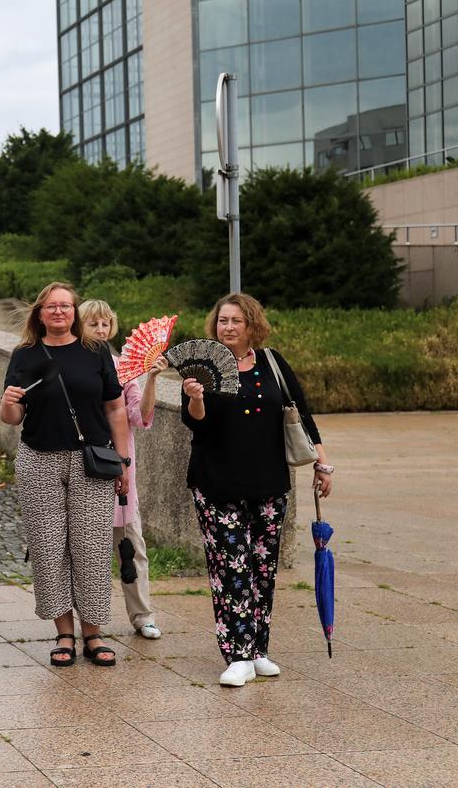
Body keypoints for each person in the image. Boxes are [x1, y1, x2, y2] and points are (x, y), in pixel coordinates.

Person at [182, 293, 333, 687]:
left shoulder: (271, 362)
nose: (227, 327)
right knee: (231, 567)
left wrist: (322, 462)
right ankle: (237, 656)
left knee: (262, 569)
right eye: (221, 321)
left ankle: (259, 649)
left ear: (251, 325)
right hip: (217, 484)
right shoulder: (204, 365)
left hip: (268, 485)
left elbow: (300, 411)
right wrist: (196, 399)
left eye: (235, 321)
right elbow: (196, 424)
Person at [0, 282, 131, 669]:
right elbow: (12, 418)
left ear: (74, 312)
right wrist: (8, 404)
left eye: (65, 306)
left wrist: (123, 462)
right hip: (38, 459)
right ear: (39, 313)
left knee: (91, 548)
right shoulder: (24, 354)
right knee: (48, 548)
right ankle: (64, 632)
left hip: (90, 459)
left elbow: (116, 410)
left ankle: (93, 633)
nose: (59, 312)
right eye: (51, 307)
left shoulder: (95, 351)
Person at [79, 299, 164, 640]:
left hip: (118, 466)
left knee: (131, 546)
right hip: (83, 465)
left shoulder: (123, 368)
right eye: (93, 324)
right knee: (86, 551)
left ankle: (142, 614)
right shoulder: (72, 364)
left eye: (105, 324)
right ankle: (88, 619)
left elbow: (137, 417)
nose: (100, 330)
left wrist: (152, 380)